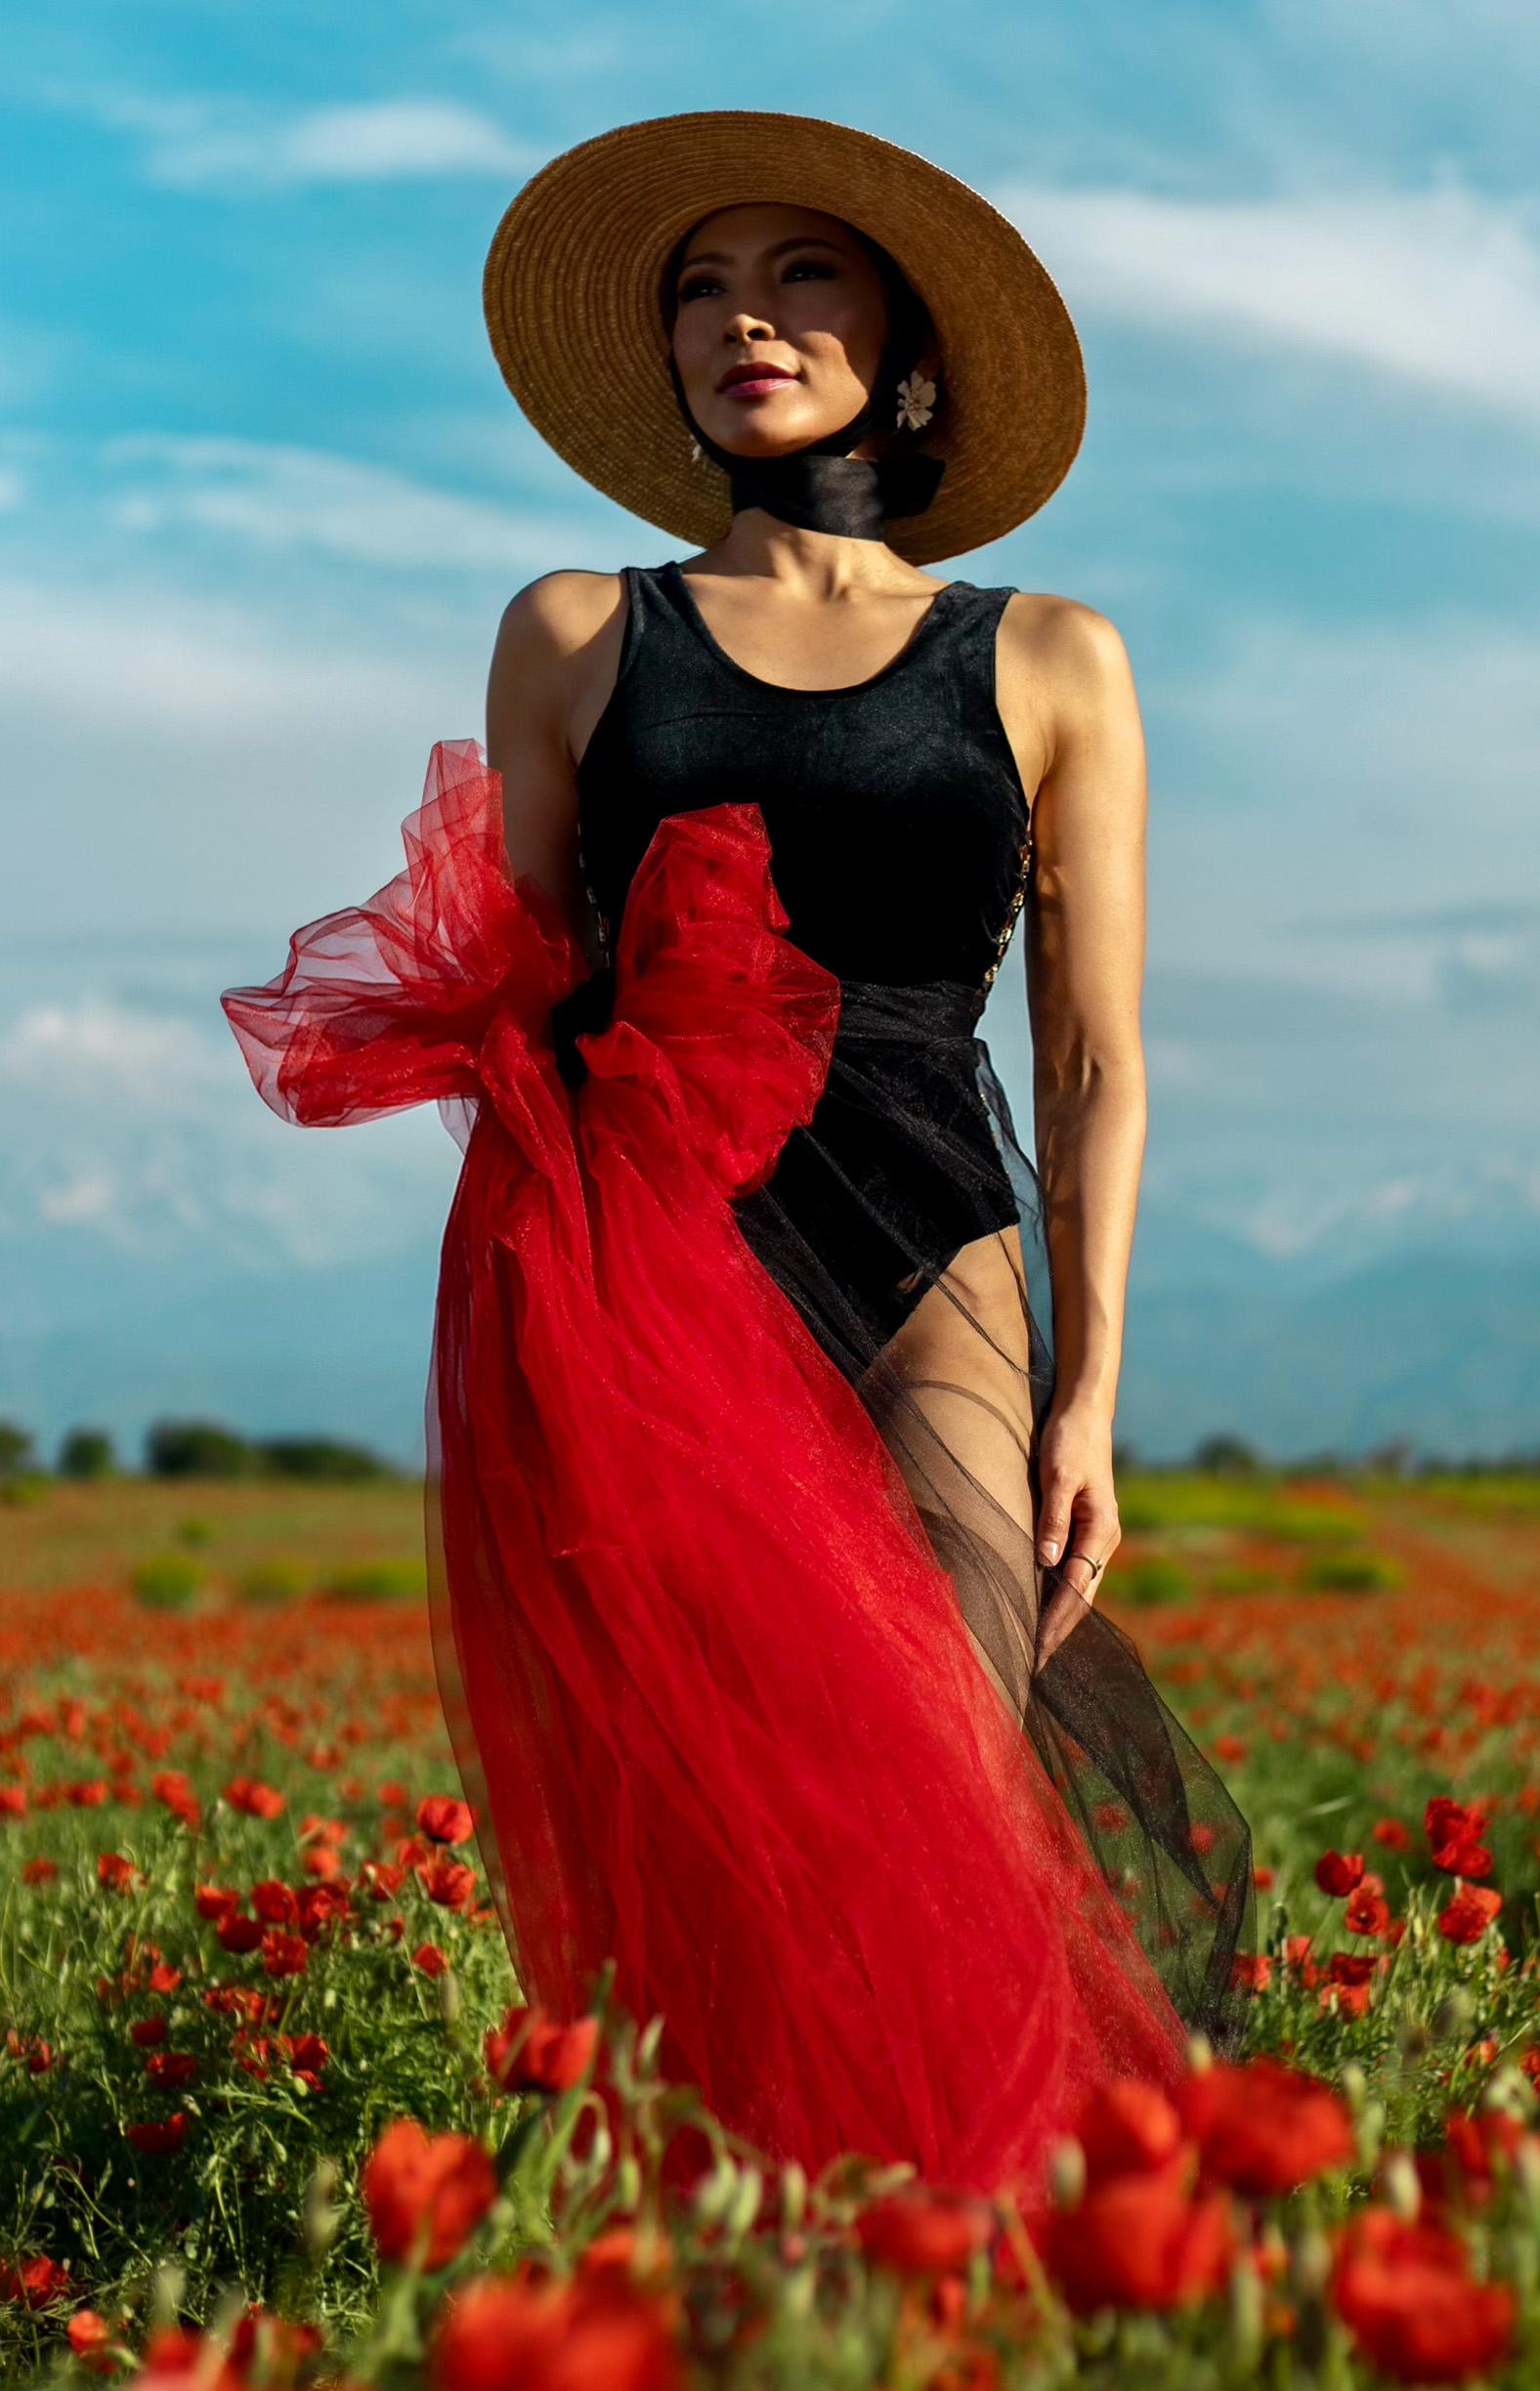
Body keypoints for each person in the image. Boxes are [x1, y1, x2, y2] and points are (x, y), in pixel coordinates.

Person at [222, 110, 1255, 2197]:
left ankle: (948, 2240)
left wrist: (1092, 1395)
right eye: (699, 287)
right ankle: (757, 2257)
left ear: (907, 337)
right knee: (718, 1801)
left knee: (950, 1773)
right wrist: (540, 1304)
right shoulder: (581, 629)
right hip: (647, 1254)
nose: (740, 321)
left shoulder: (1048, 655)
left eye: (797, 276)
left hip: (924, 1233)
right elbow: (510, 982)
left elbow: (1093, 1057)